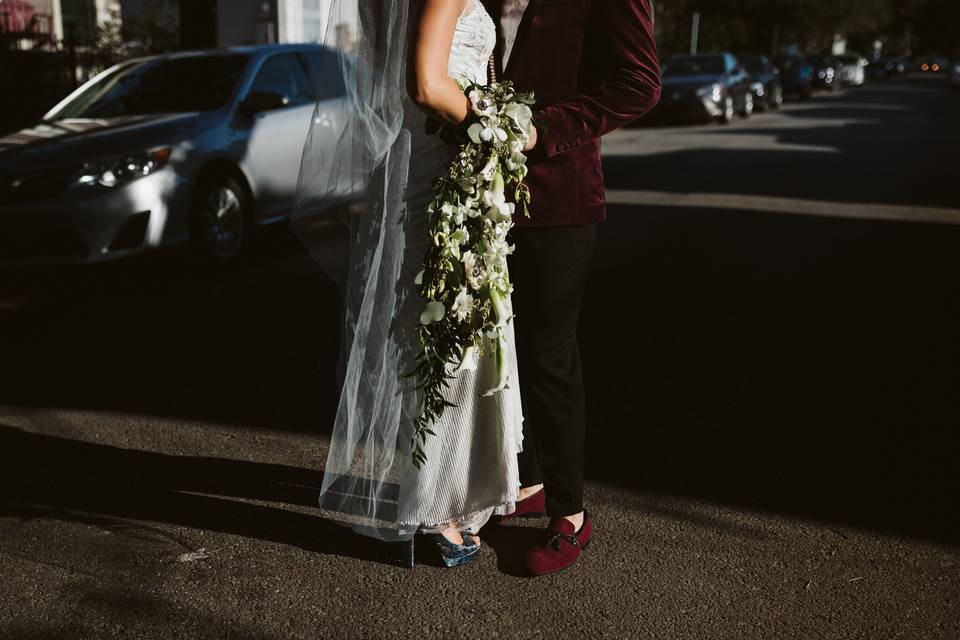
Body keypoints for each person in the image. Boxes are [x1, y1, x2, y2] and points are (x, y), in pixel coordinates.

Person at [295, 0, 533, 568]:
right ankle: (437, 511)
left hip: (429, 163)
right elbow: (427, 85)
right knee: (452, 336)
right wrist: (498, 133)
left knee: (434, 330)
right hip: (449, 164)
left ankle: (450, 492)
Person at [487, 0, 661, 575]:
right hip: (485, 197)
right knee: (502, 348)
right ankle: (531, 479)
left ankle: (571, 514)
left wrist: (547, 130)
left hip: (563, 199)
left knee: (549, 353)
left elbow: (640, 84)